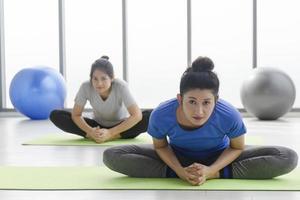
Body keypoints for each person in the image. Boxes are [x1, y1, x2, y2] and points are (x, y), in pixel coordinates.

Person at [102, 56, 298, 185]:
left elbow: (237, 147)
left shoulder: (228, 114)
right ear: (180, 99)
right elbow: (161, 147)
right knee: (112, 155)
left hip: (220, 157)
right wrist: (179, 170)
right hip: (177, 157)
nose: (200, 111)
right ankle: (178, 173)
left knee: (287, 157)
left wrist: (212, 170)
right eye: (192, 102)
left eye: (206, 102)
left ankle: (217, 173)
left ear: (216, 100)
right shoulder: (162, 114)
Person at [50, 56, 152, 143]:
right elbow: (76, 115)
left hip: (120, 127)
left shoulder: (121, 86)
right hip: (96, 127)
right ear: (91, 78)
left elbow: (137, 115)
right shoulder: (85, 86)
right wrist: (90, 131)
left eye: (104, 78)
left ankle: (112, 136)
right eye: (95, 79)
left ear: (112, 78)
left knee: (152, 115)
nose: (99, 83)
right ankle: (96, 136)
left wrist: (110, 133)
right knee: (56, 115)